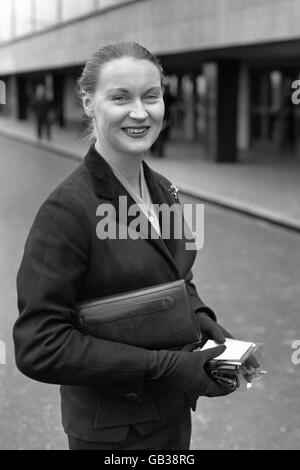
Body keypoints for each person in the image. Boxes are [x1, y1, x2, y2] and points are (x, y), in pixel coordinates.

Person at [13, 41, 236, 451]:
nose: (140, 112)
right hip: (113, 436)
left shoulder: (162, 190)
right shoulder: (66, 210)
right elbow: (39, 345)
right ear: (88, 103)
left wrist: (202, 319)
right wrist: (165, 366)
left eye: (151, 96)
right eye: (120, 97)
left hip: (169, 418)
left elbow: (176, 276)